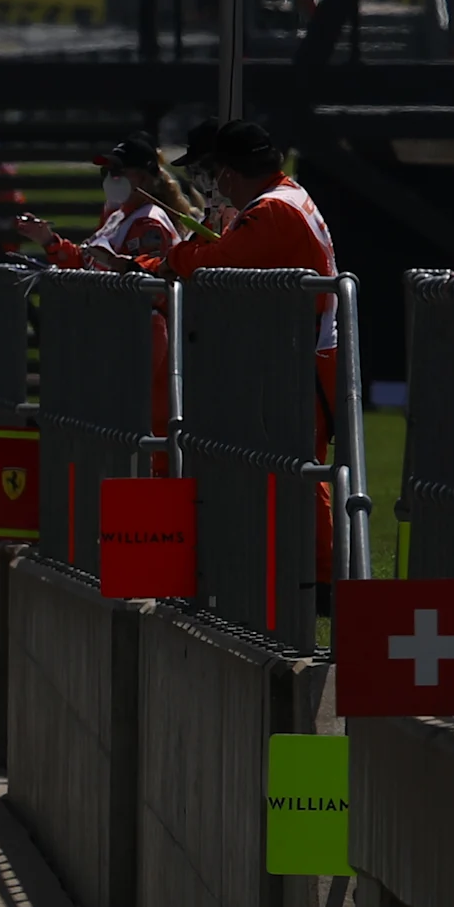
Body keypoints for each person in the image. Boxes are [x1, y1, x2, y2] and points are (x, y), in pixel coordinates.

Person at [166, 119, 340, 597]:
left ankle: (322, 582)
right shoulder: (281, 199)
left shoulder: (272, 211)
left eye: (210, 172)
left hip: (302, 357)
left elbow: (213, 264)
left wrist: (176, 258)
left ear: (226, 174)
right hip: (297, 352)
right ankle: (306, 576)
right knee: (290, 467)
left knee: (300, 470)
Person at [15, 136, 188, 270]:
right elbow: (84, 261)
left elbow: (150, 279)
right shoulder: (117, 218)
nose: (111, 178)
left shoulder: (150, 223)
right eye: (107, 171)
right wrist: (47, 239)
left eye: (118, 171)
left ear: (143, 178)